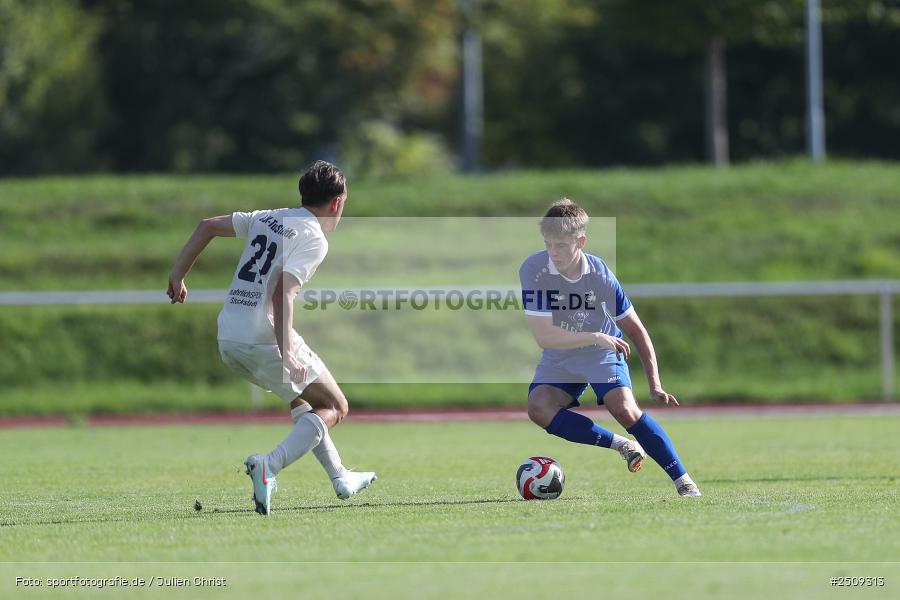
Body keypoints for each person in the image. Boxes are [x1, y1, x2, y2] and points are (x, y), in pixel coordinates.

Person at [167, 160, 376, 515]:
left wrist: (177, 274)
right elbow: (282, 294)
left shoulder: (269, 217)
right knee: (335, 406)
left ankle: (340, 476)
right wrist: (287, 353)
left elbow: (207, 226)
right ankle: (270, 466)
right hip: (263, 337)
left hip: (229, 336)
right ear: (337, 203)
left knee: (301, 402)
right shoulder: (314, 238)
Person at [520, 198, 701, 497]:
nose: (553, 253)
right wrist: (593, 335)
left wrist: (655, 383)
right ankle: (622, 445)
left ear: (581, 241)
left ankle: (684, 481)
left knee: (626, 410)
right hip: (562, 351)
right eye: (548, 244)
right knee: (539, 408)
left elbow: (636, 330)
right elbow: (544, 336)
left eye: (561, 246)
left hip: (601, 351)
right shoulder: (534, 269)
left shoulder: (600, 275)